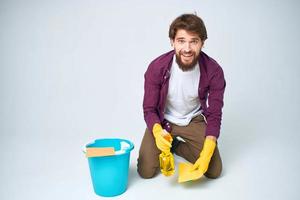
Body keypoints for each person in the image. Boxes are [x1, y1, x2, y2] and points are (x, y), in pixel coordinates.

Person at [137, 13, 226, 180]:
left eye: (194, 41)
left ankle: (175, 146)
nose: (187, 48)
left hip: (193, 119)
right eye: (181, 41)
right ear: (172, 41)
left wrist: (209, 146)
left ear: (202, 43)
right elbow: (149, 109)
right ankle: (166, 140)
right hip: (163, 121)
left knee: (214, 170)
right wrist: (156, 131)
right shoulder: (156, 68)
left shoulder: (214, 72)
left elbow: (215, 113)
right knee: (145, 171)